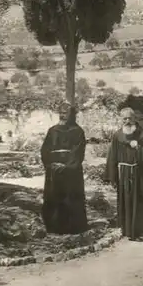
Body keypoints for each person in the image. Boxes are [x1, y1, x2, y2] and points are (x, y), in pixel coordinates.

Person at [105, 107, 143, 241]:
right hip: (124, 174)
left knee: (140, 202)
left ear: (134, 119)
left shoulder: (142, 135)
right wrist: (112, 177)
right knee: (126, 202)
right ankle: (128, 230)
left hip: (139, 174)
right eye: (125, 118)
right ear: (121, 120)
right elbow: (112, 156)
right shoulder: (117, 136)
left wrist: (139, 148)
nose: (127, 121)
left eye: (130, 118)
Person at [41, 101, 88, 235]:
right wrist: (50, 165)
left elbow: (78, 152)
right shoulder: (52, 131)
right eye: (61, 113)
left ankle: (73, 228)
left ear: (72, 115)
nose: (63, 116)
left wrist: (66, 166)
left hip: (70, 172)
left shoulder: (78, 131)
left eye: (66, 113)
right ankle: (53, 227)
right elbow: (45, 150)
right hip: (54, 171)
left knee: (71, 198)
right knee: (53, 198)